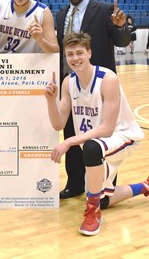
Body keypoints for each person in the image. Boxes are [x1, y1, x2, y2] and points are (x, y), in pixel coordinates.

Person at [44, 32, 145, 236]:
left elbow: (107, 128)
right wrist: (50, 100)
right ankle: (144, 186)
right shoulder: (68, 82)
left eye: (79, 52)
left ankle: (93, 213)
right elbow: (58, 124)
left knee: (90, 148)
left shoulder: (108, 79)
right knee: (103, 197)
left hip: (122, 137)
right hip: (98, 143)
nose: (75, 58)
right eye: (70, 54)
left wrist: (69, 142)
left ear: (89, 53)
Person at [56, 0, 131, 200]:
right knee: (73, 131)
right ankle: (76, 182)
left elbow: (121, 41)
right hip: (72, 84)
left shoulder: (105, 9)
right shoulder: (60, 15)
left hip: (99, 86)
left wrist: (120, 27)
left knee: (100, 138)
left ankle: (106, 184)